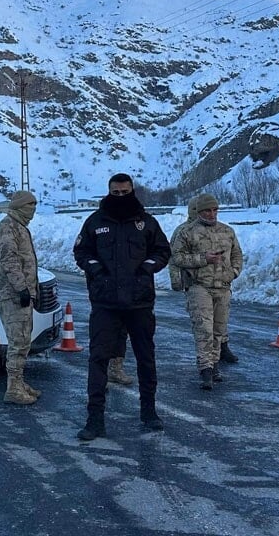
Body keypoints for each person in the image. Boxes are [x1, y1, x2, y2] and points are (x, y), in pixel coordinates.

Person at [73, 173, 171, 439]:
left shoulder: (146, 222)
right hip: (106, 304)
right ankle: (95, 419)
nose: (120, 197)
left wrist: (147, 269)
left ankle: (149, 412)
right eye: (115, 193)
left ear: (132, 191)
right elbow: (81, 252)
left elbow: (163, 251)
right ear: (108, 191)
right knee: (98, 359)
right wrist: (96, 271)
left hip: (139, 303)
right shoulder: (95, 222)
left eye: (125, 192)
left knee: (146, 359)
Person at [170, 193, 243, 390]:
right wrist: (203, 259)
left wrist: (233, 272)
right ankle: (205, 369)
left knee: (219, 330)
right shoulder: (186, 232)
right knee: (204, 330)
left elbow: (237, 254)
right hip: (199, 286)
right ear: (198, 211)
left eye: (214, 210)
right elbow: (176, 257)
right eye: (207, 210)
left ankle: (215, 364)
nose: (211, 214)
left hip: (223, 287)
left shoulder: (227, 232)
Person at [0, 190, 42, 405]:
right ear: (21, 206)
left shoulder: (20, 227)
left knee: (23, 340)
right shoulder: (8, 227)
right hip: (12, 295)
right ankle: (13, 387)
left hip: (21, 293)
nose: (33, 210)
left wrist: (33, 290)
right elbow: (9, 261)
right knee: (18, 342)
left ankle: (19, 383)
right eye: (30, 205)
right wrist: (21, 289)